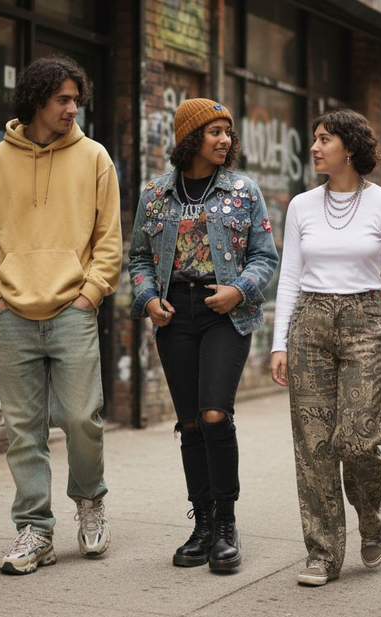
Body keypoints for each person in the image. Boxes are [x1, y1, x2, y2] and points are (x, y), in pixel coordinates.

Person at [0, 55, 122, 575]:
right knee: (23, 429)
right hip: (13, 313)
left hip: (73, 310)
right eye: (63, 99)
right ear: (37, 100)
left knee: (82, 418)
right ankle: (35, 530)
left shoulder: (96, 158)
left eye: (77, 99)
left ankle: (90, 500)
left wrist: (91, 294)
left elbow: (108, 241)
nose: (72, 109)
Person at [129, 98, 278, 573]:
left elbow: (265, 257)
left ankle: (228, 525)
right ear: (190, 137)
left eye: (228, 132)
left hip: (224, 314)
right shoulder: (155, 193)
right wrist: (149, 299)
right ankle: (203, 524)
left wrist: (239, 290)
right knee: (190, 423)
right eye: (214, 131)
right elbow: (137, 258)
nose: (225, 140)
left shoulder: (243, 191)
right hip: (175, 315)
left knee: (215, 414)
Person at [269, 108, 381, 586]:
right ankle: (323, 552)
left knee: (358, 438)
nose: (314, 146)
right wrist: (278, 341)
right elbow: (289, 276)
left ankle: (371, 513)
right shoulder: (303, 206)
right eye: (314, 138)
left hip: (366, 321)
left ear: (349, 147)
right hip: (309, 322)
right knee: (313, 445)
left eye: (323, 138)